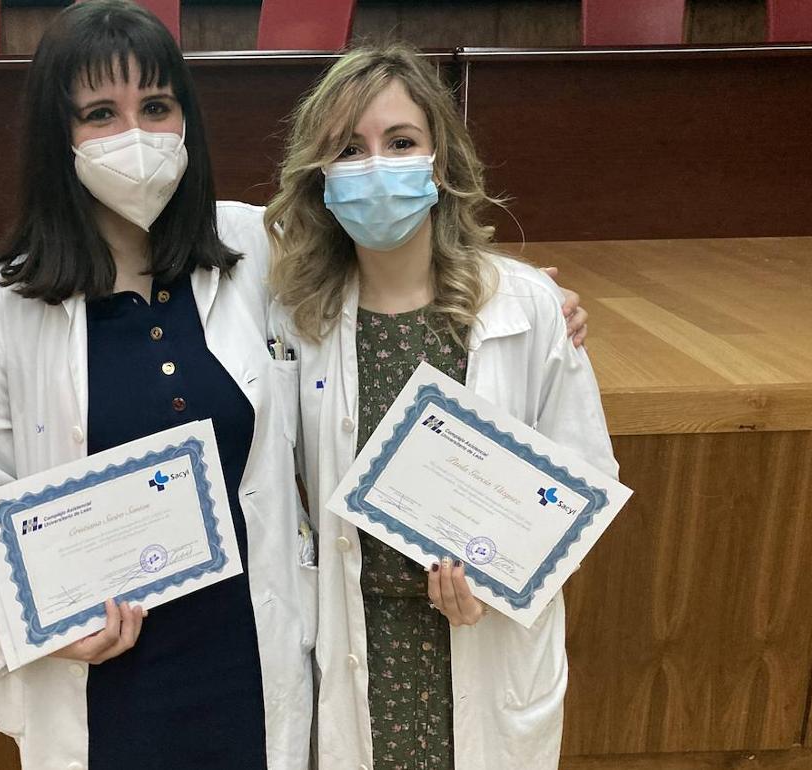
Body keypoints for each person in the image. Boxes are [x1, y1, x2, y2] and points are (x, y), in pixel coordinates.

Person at [0, 3, 315, 768]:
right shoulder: (5, 302)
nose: (136, 136)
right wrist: (38, 621)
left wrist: (525, 295)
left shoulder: (255, 246)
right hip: (109, 674)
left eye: (156, 107)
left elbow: (391, 272)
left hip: (246, 653)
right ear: (57, 138)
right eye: (101, 114)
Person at [265, 43, 620, 770]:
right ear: (320, 175)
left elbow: (582, 472)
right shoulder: (296, 317)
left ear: (440, 159)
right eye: (348, 149)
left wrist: (497, 580)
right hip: (357, 630)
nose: (375, 167)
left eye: (400, 143)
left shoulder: (523, 307)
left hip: (480, 632)